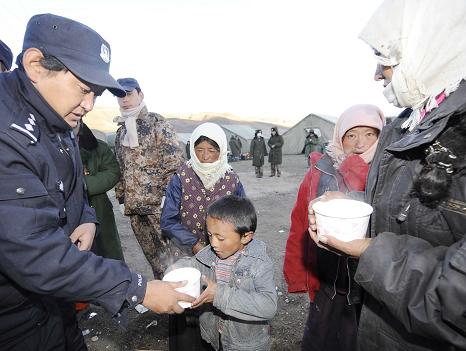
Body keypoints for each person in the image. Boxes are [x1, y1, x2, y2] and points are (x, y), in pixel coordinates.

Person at [308, 1, 466, 350]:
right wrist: (352, 207)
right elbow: (408, 216)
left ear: (432, 41)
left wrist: (369, 251)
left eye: (385, 57)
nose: (378, 73)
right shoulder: (408, 125)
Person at [0, 13, 193, 351]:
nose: (89, 105)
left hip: (51, 301)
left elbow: (71, 179)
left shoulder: (53, 117)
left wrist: (86, 218)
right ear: (35, 64)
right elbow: (33, 251)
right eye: (83, 89)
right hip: (13, 314)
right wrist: (138, 289)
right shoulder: (8, 131)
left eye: (96, 94)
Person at [284, 105, 385, 351]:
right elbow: (299, 222)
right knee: (323, 340)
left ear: (382, 136)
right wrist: (297, 274)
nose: (360, 143)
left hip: (372, 286)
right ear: (340, 137)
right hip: (328, 282)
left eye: (369, 134)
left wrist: (355, 169)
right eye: (351, 135)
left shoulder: (391, 170)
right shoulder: (320, 170)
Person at [161, 122, 246, 350]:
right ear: (192, 150)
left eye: (212, 150)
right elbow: (168, 220)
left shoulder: (231, 179)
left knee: (217, 301)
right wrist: (195, 244)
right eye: (200, 150)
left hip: (223, 255)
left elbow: (243, 215)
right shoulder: (181, 177)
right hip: (187, 253)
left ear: (222, 151)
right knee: (188, 303)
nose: (206, 156)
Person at [168, 195, 278, 351]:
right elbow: (192, 265)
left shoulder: (259, 263)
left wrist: (219, 295)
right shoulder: (210, 254)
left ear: (246, 236)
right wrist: (174, 270)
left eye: (220, 238)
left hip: (245, 344)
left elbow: (268, 306)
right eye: (210, 235)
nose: (213, 243)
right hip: (215, 337)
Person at [114, 77, 183, 279]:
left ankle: (186, 303)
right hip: (136, 210)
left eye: (128, 94)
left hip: (159, 208)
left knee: (175, 257)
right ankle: (167, 301)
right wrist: (121, 198)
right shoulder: (121, 132)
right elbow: (120, 168)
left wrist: (168, 198)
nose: (124, 99)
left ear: (140, 95)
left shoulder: (157, 124)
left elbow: (174, 163)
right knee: (154, 259)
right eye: (119, 95)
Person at [76, 121, 124, 261]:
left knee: (108, 252)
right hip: (69, 213)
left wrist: (84, 184)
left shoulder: (97, 147)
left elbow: (113, 171)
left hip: (99, 208)